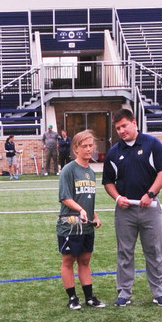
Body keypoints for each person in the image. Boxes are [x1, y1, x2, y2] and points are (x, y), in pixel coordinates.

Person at [102, 108, 162, 308]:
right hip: (125, 211)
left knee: (154, 251)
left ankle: (159, 292)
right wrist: (118, 198)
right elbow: (108, 182)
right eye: (118, 128)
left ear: (134, 123)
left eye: (124, 126)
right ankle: (124, 293)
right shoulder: (114, 152)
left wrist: (150, 194)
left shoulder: (152, 144)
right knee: (124, 252)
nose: (121, 131)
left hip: (150, 208)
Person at [57, 130, 104, 310]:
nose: (88, 149)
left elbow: (87, 198)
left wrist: (94, 215)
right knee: (68, 261)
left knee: (85, 260)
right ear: (75, 148)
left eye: (91, 145)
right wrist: (81, 210)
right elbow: (65, 197)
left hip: (86, 225)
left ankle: (89, 297)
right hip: (70, 225)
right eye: (84, 146)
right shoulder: (68, 170)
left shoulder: (91, 172)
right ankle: (72, 298)